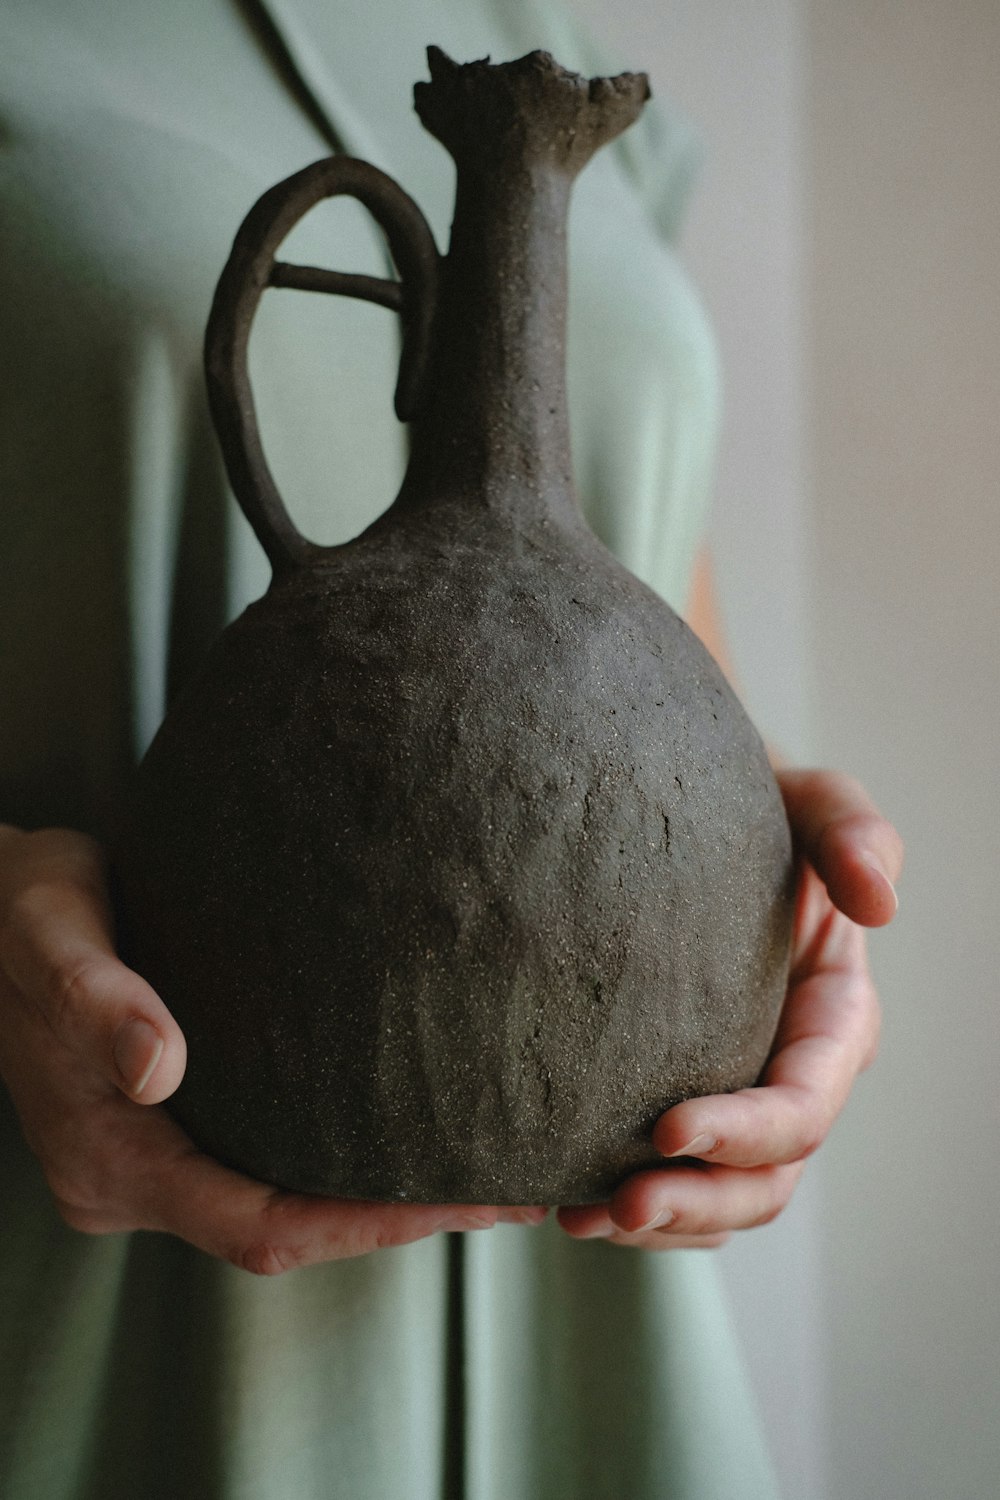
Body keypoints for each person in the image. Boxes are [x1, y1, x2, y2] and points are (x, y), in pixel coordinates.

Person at [0, 1, 902, 1496]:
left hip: (605, 1306)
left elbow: (682, 627)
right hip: (97, 1293)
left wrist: (799, 909)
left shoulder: (539, 26)